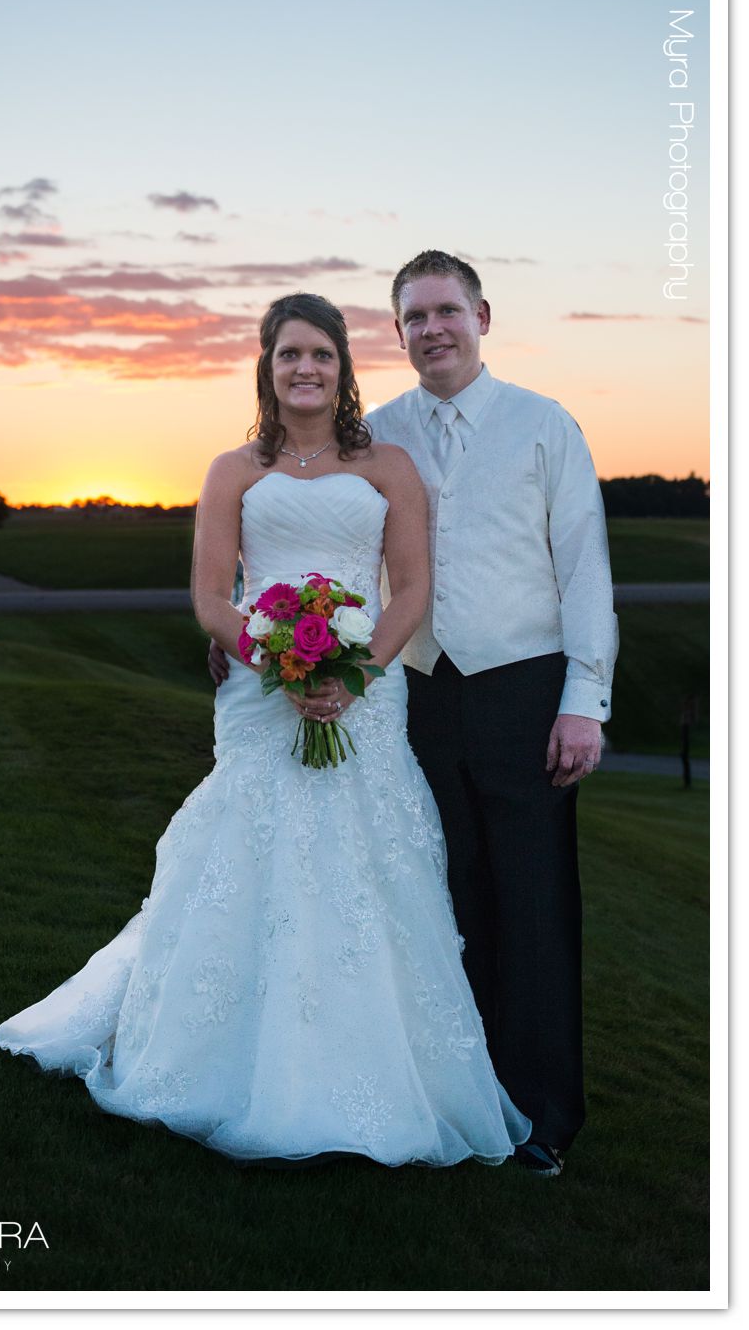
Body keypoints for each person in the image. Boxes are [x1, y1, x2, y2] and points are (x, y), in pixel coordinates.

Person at [0, 292, 530, 1168]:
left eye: (320, 353)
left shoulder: (387, 465)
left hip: (370, 689)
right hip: (258, 689)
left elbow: (411, 589)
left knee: (363, 860)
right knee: (246, 850)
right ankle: (208, 1052)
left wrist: (350, 679)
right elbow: (209, 595)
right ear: (265, 366)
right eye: (288, 354)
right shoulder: (231, 469)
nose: (305, 368)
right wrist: (277, 662)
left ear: (343, 366)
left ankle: (380, 1069)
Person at [365, 249, 618, 1177]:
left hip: (524, 690)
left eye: (446, 311)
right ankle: (461, 1103)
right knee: (444, 902)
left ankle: (544, 1117)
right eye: (413, 318)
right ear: (396, 334)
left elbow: (583, 567)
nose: (431, 329)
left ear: (481, 315)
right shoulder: (377, 433)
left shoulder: (543, 424)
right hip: (418, 691)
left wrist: (582, 702)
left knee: (534, 905)